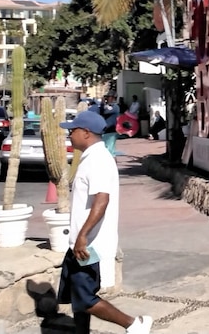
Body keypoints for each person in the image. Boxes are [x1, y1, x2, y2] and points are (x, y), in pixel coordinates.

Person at [56, 111, 152, 334]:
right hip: (80, 243)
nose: (69, 135)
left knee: (85, 298)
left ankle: (134, 324)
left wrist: (83, 236)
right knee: (76, 295)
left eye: (72, 131)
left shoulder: (98, 160)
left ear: (86, 133)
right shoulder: (90, 157)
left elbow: (102, 200)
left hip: (89, 245)